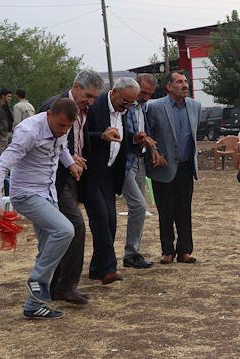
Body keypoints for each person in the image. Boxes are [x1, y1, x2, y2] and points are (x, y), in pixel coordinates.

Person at [0, 98, 83, 319]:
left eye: (68, 127)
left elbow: (62, 148)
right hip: (26, 194)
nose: (64, 131)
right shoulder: (28, 132)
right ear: (49, 115)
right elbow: (0, 166)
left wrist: (70, 164)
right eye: (61, 125)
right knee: (65, 230)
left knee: (47, 250)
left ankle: (33, 306)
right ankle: (37, 280)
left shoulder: (63, 128)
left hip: (48, 193)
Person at [39, 68, 103, 304]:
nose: (91, 102)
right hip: (52, 180)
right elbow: (42, 144)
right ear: (76, 87)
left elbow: (76, 142)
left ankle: (56, 286)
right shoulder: (54, 106)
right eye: (88, 95)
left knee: (63, 231)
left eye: (95, 98)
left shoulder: (82, 110)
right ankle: (63, 286)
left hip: (72, 178)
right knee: (73, 226)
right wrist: (68, 158)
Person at [85, 77, 138, 284]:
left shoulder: (122, 111)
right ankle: (108, 269)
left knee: (111, 223)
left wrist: (135, 139)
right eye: (124, 101)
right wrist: (101, 136)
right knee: (100, 221)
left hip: (109, 173)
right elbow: (79, 135)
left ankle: (97, 267)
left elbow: (122, 138)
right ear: (114, 92)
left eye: (131, 104)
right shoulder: (95, 106)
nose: (126, 107)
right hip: (91, 174)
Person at [146, 70, 201, 264]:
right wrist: (156, 150)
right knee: (165, 211)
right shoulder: (155, 108)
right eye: (180, 82)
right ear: (169, 87)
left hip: (186, 167)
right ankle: (167, 251)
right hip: (163, 167)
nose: (185, 85)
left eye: (186, 82)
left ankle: (185, 251)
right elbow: (148, 133)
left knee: (184, 210)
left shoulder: (195, 106)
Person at [122, 74, 158, 269]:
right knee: (139, 205)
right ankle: (130, 253)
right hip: (125, 161)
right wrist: (136, 139)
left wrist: (152, 149)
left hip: (140, 158)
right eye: (143, 92)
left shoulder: (142, 107)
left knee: (139, 208)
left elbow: (145, 130)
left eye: (149, 94)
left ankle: (133, 252)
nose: (145, 97)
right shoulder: (124, 106)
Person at [0, 88, 14, 156]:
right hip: (2, 132)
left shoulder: (9, 107)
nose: (10, 98)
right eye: (8, 96)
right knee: (1, 152)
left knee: (9, 152)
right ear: (3, 96)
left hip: (10, 132)